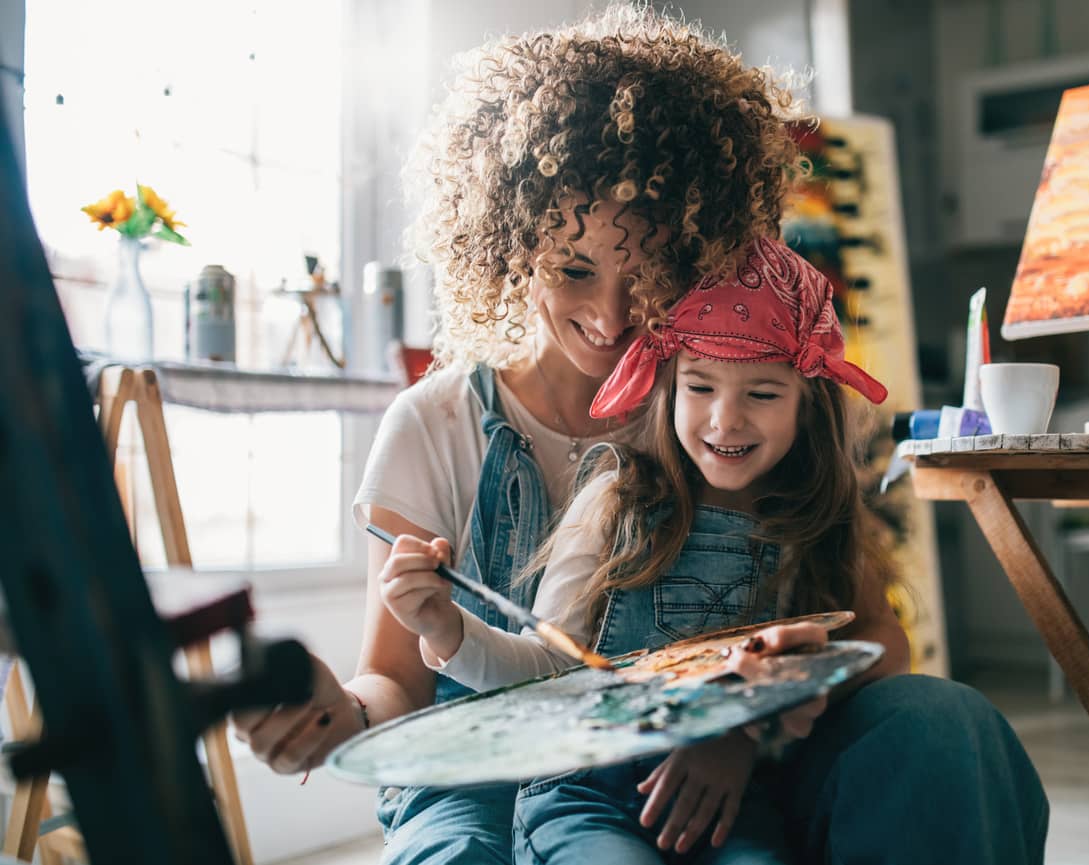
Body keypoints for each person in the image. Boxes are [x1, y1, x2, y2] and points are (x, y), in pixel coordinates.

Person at [232, 6, 804, 864]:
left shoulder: (711, 419)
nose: (610, 317)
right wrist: (337, 715)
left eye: (644, 273)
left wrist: (742, 731)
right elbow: (396, 681)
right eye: (573, 270)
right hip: (462, 776)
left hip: (646, 779)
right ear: (505, 247)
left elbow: (831, 620)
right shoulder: (433, 423)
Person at [382, 237, 1049, 865]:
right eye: (700, 388)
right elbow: (543, 671)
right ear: (665, 386)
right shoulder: (615, 501)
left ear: (805, 405)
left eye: (762, 393)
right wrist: (445, 629)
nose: (726, 420)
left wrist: (748, 725)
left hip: (736, 804)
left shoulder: (813, 519)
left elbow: (867, 648)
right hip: (588, 798)